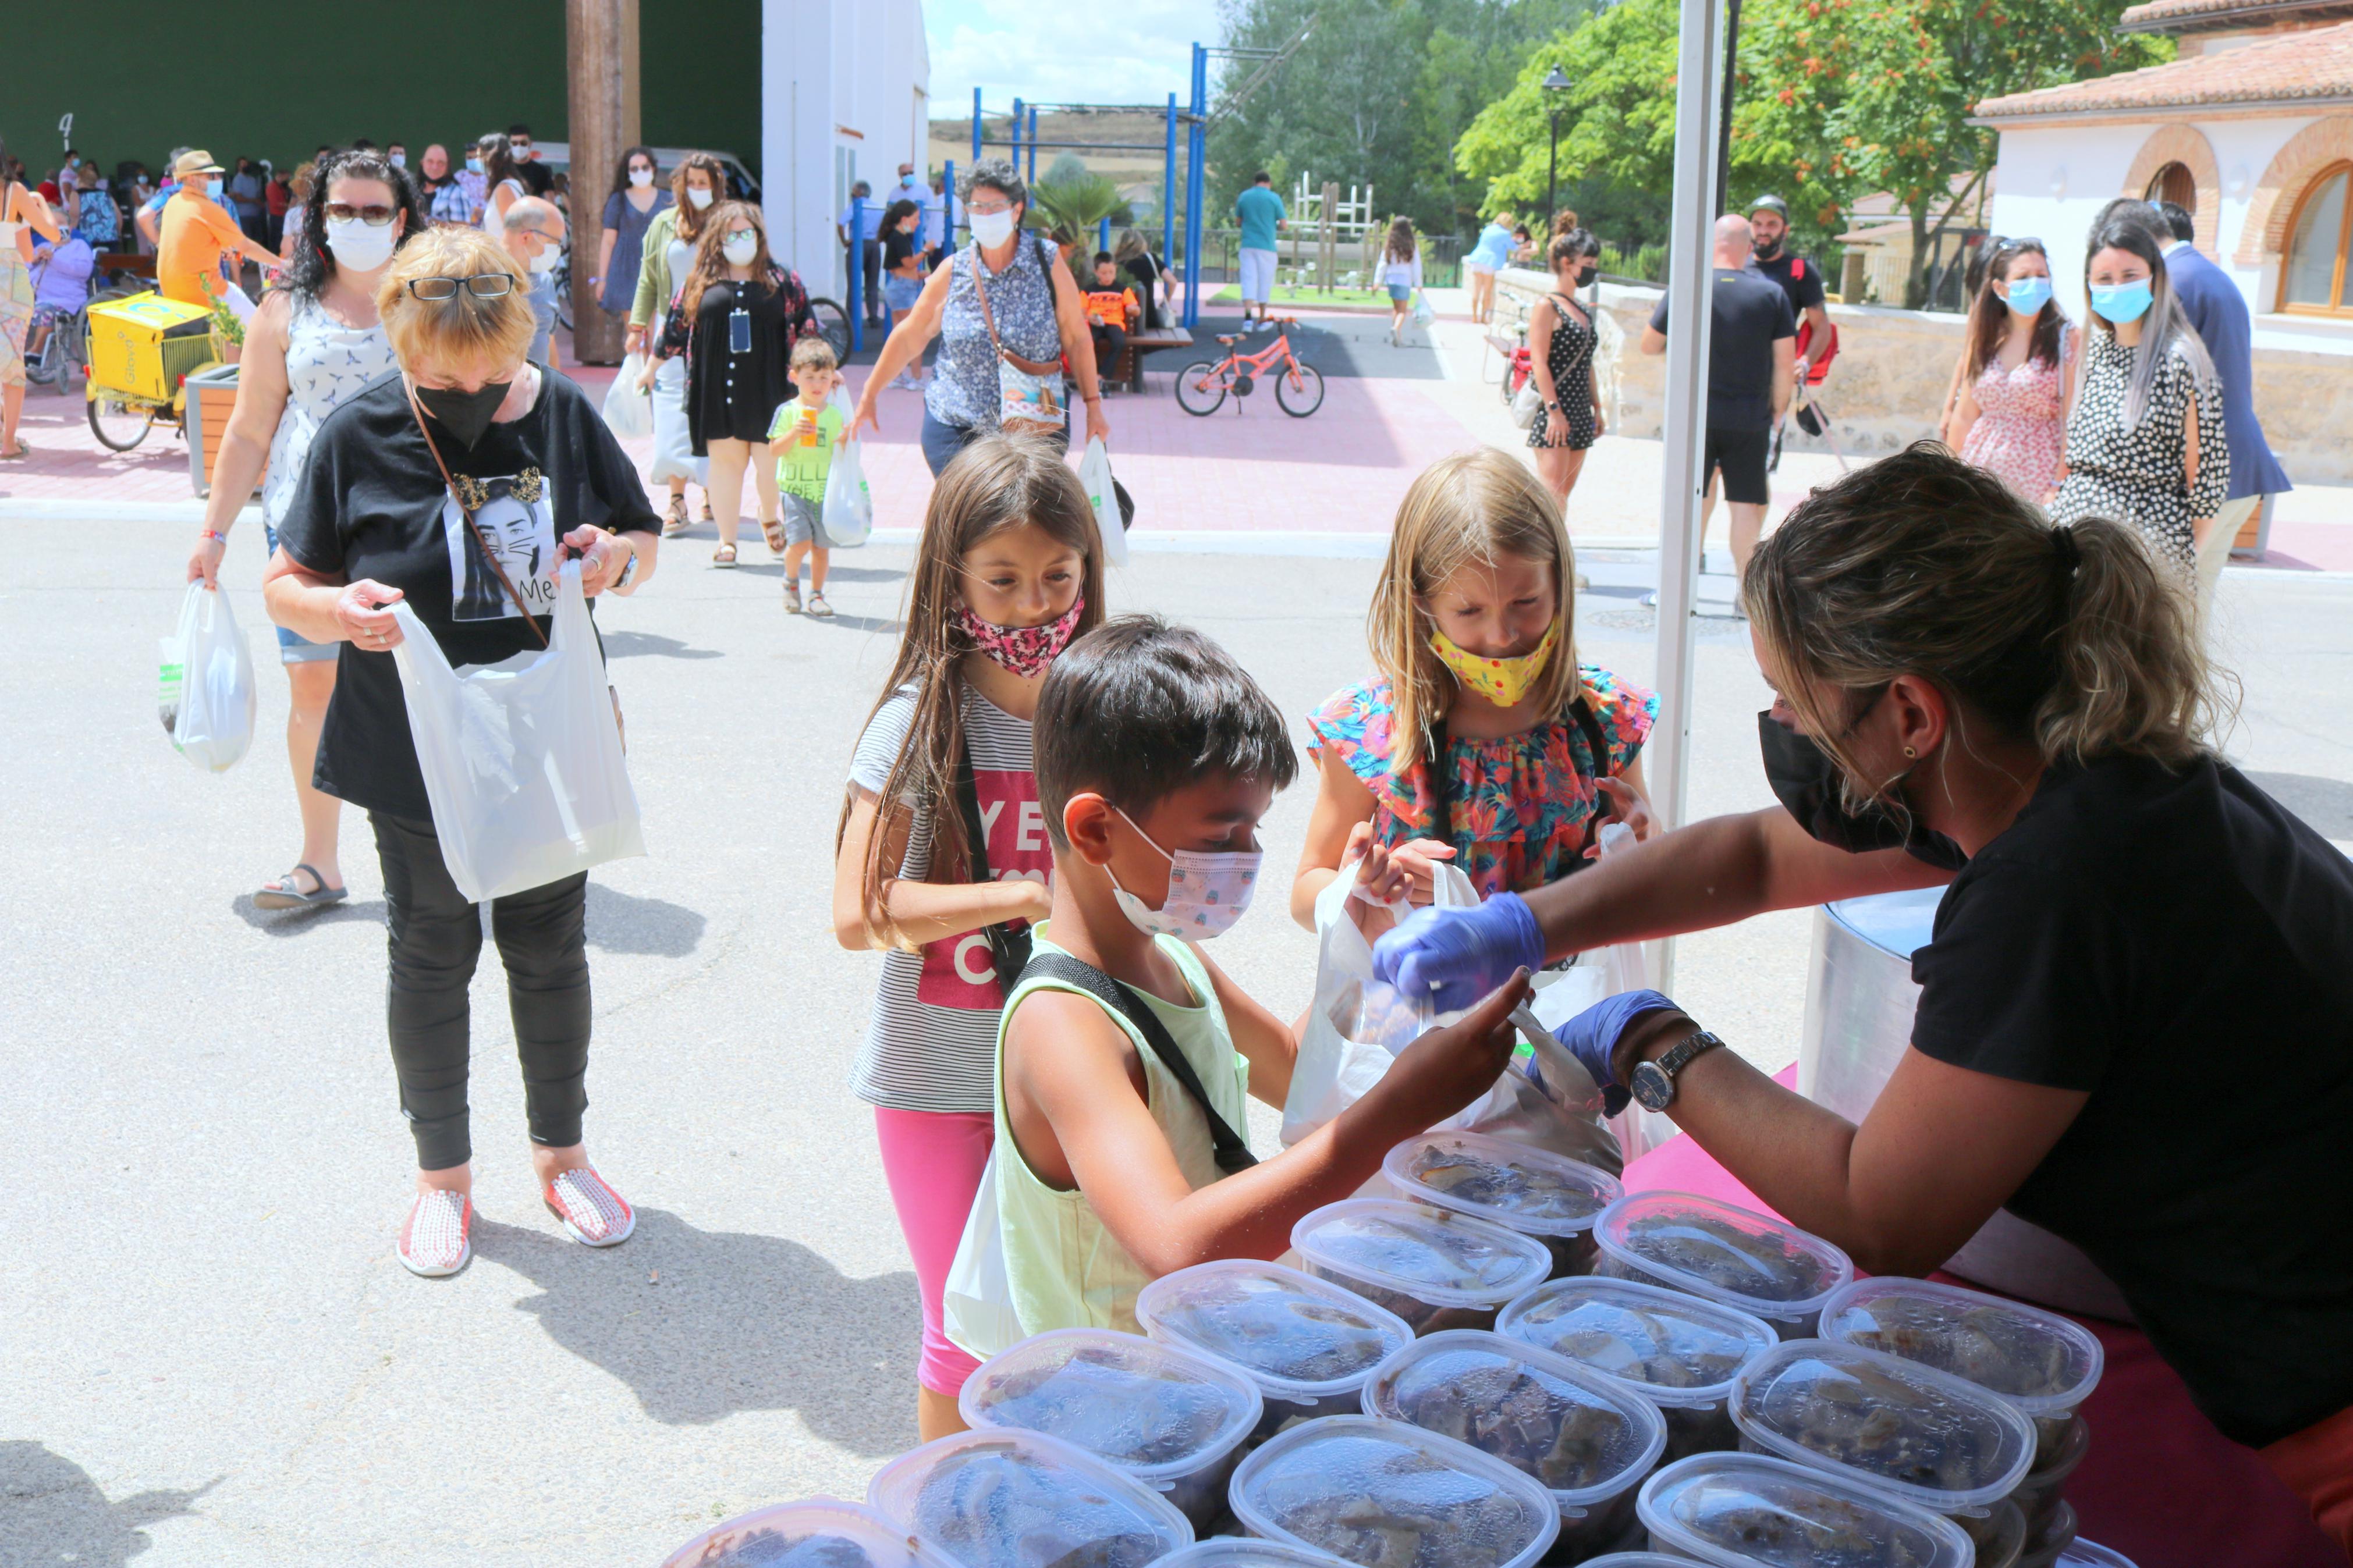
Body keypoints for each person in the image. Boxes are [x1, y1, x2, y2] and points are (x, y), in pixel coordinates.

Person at [1368, 443, 2353, 1553]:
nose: (1785, 734)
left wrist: (1648, 1038)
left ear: (1910, 715)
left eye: (1796, 705)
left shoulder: (2051, 889)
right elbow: (1749, 857)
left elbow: (1877, 1210)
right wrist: (1527, 922)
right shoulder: (2091, 771)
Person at [260, 225, 661, 1279]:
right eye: (444, 373)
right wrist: (338, 610)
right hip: (412, 743)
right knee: (432, 950)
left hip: (541, 734)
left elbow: (641, 539)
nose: (473, 390)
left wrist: (614, 559)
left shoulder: (563, 413)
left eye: (491, 369)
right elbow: (285, 579)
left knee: (548, 945)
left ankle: (562, 1156)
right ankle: (442, 1181)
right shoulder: (359, 431)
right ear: (402, 343)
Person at [971, 613, 1535, 1364]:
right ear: (1097, 832)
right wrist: (1395, 1111)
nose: (1247, 858)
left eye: (1254, 832)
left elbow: (1296, 1060)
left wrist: (1362, 943)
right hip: (1118, 1402)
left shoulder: (1172, 957)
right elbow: (1176, 1245)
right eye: (1220, 836)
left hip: (1204, 1367)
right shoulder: (1062, 1026)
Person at [831, 433, 1110, 1437]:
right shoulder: (921, 720)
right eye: (1002, 582)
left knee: (1072, 1326)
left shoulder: (1103, 711)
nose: (1034, 606)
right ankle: (945, 1525)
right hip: (939, 1084)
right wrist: (1016, 897)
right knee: (962, 1336)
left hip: (1073, 1079)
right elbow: (858, 914)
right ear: (953, 581)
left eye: (1056, 577)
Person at [186, 149, 420, 912]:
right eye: (343, 210)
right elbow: (250, 431)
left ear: (402, 219)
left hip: (409, 518)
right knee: (313, 681)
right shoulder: (286, 307)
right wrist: (214, 533)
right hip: (304, 520)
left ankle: (440, 857)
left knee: (421, 688)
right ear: (319, 218)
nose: (357, 223)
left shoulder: (427, 300)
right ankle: (321, 861)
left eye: (374, 211)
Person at [1293, 447, 1656, 931]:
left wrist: (1643, 839)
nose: (1502, 634)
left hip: (1568, 1002)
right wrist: (1365, 885)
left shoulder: (1603, 717)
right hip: (1424, 1002)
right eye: (1469, 612)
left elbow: (1651, 853)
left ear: (1560, 584)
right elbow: (1305, 892)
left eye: (1526, 601)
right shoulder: (1372, 729)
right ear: (1421, 603)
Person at [845, 159, 1112, 478]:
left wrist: (1094, 407)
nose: (985, 215)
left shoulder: (1047, 261)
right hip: (957, 425)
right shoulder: (953, 270)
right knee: (970, 523)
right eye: (976, 207)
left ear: (1016, 210)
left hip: (1034, 426)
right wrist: (869, 394)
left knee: (1023, 524)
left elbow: (1077, 337)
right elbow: (910, 335)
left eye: (995, 206)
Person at [2050, 208, 2224, 581]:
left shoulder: (2183, 361)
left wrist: (2175, 568)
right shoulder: (2097, 350)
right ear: (2089, 284)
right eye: (2105, 278)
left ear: (2155, 279)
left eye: (2130, 276)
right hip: (2073, 552)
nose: (2117, 286)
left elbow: (2207, 483)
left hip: (2142, 563)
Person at [643, 200, 816, 567]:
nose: (740, 239)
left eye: (747, 232)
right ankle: (727, 540)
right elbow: (674, 328)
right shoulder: (700, 281)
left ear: (759, 235)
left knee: (770, 463)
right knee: (725, 466)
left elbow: (807, 329)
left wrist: (821, 369)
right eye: (732, 233)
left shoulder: (783, 280)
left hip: (771, 387)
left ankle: (770, 516)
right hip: (717, 387)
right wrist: (651, 367)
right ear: (718, 240)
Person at [2149, 199, 2292, 621]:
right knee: (2193, 607)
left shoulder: (2171, 280)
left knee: (2164, 610)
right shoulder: (2215, 278)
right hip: (2241, 469)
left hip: (2201, 474)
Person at [1638, 215, 1795, 579]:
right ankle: (1745, 594)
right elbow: (1785, 365)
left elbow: (1650, 344)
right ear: (1748, 246)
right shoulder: (1772, 294)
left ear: (1713, 243)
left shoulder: (1688, 287)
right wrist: (1778, 410)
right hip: (1749, 416)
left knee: (1694, 498)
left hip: (1695, 415)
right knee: (1746, 505)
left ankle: (1681, 584)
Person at [627, 151, 726, 536]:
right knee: (670, 411)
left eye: (705, 183)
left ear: (715, 186)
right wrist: (637, 326)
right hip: (671, 333)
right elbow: (648, 279)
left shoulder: (727, 224)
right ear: (680, 184)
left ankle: (713, 492)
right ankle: (676, 498)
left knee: (714, 411)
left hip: (715, 333)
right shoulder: (663, 224)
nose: (698, 189)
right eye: (693, 182)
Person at [1942, 237, 2075, 506]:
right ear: (2000, 287)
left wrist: (2057, 485)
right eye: (2024, 276)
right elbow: (1966, 414)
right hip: (1979, 476)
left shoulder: (2066, 338)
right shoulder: (1987, 337)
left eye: (2041, 276)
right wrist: (1947, 474)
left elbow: (2071, 421)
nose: (2035, 283)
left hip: (2036, 481)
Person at [1527, 229, 1606, 506]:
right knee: (1551, 496)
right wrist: (1554, 411)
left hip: (1579, 410)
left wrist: (1597, 407)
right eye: (1588, 264)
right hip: (1556, 409)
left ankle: (1559, 550)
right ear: (1567, 263)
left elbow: (1588, 363)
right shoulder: (1547, 306)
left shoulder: (1581, 309)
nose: (1592, 270)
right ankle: (1548, 550)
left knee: (1564, 495)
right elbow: (1539, 362)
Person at [769, 336, 845, 616]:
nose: (817, 385)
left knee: (821, 548)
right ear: (795, 377)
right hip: (794, 489)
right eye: (810, 377)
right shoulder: (788, 412)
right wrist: (794, 433)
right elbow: (774, 449)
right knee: (800, 543)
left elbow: (843, 451)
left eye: (824, 378)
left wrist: (847, 440)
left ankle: (817, 594)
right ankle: (790, 583)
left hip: (825, 491)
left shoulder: (835, 414)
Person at [156, 150, 281, 310]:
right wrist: (281, 264)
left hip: (171, 290)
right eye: (211, 176)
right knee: (257, 329)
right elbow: (246, 247)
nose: (218, 179)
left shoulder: (174, 203)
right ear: (192, 179)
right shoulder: (209, 208)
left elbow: (191, 239)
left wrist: (224, 249)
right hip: (203, 290)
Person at [0, 145, 61, 460]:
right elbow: (50, 236)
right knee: (11, 366)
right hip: (10, 288)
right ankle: (8, 443)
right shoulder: (14, 192)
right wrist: (39, 203)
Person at [1745, 195, 1832, 380]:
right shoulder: (1734, 265)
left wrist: (1805, 363)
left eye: (1772, 225)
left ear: (1785, 231)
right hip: (1730, 374)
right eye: (1757, 224)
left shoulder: (1800, 270)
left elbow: (1822, 326)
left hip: (1775, 377)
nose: (1763, 231)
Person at [592, 146, 668, 329]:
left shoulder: (669, 200)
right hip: (625, 270)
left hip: (658, 268)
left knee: (655, 332)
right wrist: (602, 279)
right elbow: (608, 242)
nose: (640, 172)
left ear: (654, 169)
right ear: (627, 173)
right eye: (634, 169)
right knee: (635, 332)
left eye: (645, 167)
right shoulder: (618, 200)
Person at [498, 194, 567, 372]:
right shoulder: (480, 277)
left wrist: (556, 395)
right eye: (553, 244)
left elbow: (548, 340)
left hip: (537, 395)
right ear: (527, 238)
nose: (557, 251)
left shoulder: (545, 280)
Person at [880, 198, 928, 390]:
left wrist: (918, 276)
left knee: (900, 334)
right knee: (915, 333)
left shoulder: (897, 237)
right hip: (901, 290)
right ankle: (915, 378)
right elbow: (908, 264)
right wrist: (926, 251)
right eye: (916, 218)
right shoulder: (898, 238)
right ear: (905, 219)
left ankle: (897, 375)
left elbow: (901, 269)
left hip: (900, 287)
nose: (918, 222)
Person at [24, 232, 95, 361]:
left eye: (61, 222)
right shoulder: (43, 246)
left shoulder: (80, 246)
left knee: (44, 309)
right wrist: (33, 261)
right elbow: (23, 268)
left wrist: (54, 259)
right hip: (38, 296)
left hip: (67, 298)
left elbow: (84, 271)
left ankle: (36, 351)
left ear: (70, 227)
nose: (57, 227)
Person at [1232, 171, 1286, 332]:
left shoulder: (1244, 197)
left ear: (1254, 182)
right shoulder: (1274, 198)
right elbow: (1284, 225)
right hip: (1267, 246)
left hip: (1248, 244)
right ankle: (1262, 318)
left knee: (1249, 280)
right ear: (1269, 183)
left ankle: (1248, 319)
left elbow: (1238, 222)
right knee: (1265, 281)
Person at [1079, 251, 1138, 391]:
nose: (1108, 276)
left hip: (1114, 323)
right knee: (1088, 343)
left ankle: (1101, 376)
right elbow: (1081, 313)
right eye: (1104, 273)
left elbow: (1135, 308)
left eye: (1111, 272)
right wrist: (1089, 318)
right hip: (1095, 323)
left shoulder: (1123, 290)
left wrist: (1132, 309)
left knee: (1119, 342)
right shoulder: (1089, 291)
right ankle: (1092, 374)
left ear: (1116, 270)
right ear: (1096, 272)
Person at [836, 179, 884, 326]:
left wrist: (844, 241)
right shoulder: (877, 208)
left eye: (854, 190)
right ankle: (873, 316)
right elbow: (884, 225)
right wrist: (879, 239)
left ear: (859, 192)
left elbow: (841, 223)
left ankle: (851, 318)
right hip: (874, 245)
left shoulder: (856, 206)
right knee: (872, 283)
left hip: (857, 245)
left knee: (854, 283)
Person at [474, 134, 528, 242]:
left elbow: (514, 233)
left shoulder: (505, 189)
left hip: (504, 257)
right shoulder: (509, 185)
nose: (477, 160)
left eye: (480, 155)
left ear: (491, 157)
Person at [1378, 217, 1422, 346]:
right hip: (1404, 279)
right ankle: (1396, 329)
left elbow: (1383, 262)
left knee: (1396, 309)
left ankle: (1397, 335)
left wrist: (1377, 281)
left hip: (1391, 279)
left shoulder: (1390, 244)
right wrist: (1418, 283)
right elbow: (1416, 265)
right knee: (1403, 311)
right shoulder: (1411, 245)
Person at [1464, 209, 1513, 326]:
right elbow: (1513, 247)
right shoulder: (1505, 233)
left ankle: (1475, 316)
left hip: (1477, 259)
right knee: (1487, 292)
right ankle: (1484, 317)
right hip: (1490, 262)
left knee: (1476, 290)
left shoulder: (1488, 229)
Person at [1116, 227, 1170, 330]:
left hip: (1121, 317)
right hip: (1148, 316)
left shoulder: (1117, 262)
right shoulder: (1151, 259)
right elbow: (1172, 281)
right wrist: (1166, 301)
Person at [73, 162, 118, 250]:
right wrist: (117, 235)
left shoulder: (76, 195)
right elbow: (118, 216)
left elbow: (74, 217)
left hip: (87, 241)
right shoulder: (105, 194)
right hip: (110, 240)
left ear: (80, 179)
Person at [229, 157, 268, 246]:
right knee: (247, 241)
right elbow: (238, 198)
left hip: (256, 215)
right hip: (244, 216)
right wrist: (254, 201)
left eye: (247, 164)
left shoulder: (252, 179)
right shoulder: (238, 180)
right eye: (243, 164)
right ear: (239, 166)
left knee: (258, 240)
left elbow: (257, 196)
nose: (246, 166)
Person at [506, 124, 553, 198]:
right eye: (514, 143)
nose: (519, 147)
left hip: (531, 209)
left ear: (530, 144)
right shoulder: (501, 169)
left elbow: (550, 201)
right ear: (509, 145)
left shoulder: (542, 171)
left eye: (523, 143)